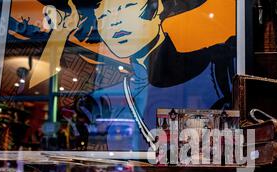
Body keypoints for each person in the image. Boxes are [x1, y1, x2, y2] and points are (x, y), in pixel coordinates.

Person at [37, 0, 236, 151]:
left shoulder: (218, 66)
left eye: (126, 7)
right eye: (104, 16)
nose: (115, 22)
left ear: (156, 8)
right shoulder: (102, 101)